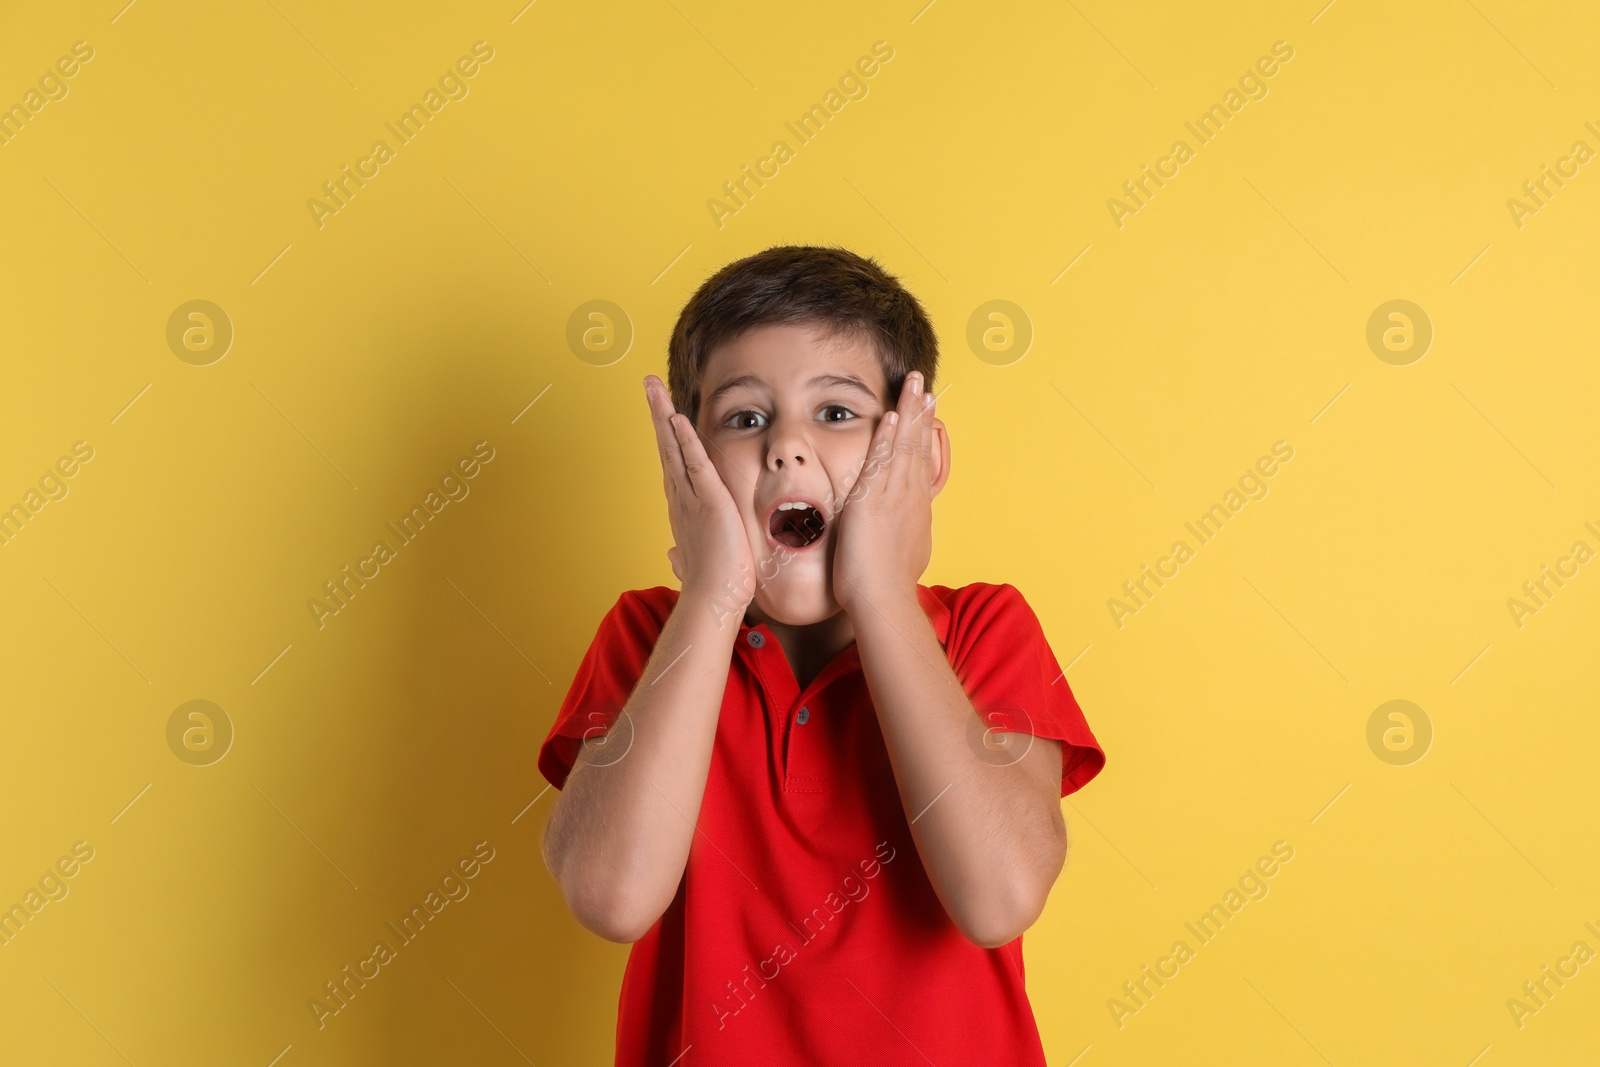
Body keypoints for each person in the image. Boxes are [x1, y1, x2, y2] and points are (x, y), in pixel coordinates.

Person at [538, 245, 1106, 1065]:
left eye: (836, 413)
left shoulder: (987, 629)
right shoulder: (647, 638)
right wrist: (710, 597)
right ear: (686, 467)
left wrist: (881, 590)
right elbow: (610, 895)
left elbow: (999, 896)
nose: (786, 448)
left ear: (923, 453)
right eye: (744, 417)